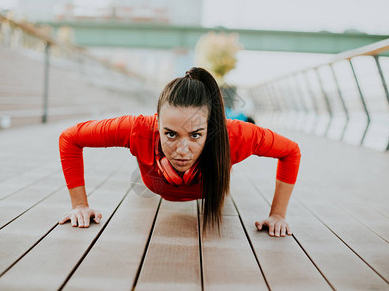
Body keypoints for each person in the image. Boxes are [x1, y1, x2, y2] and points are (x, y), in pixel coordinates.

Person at [58, 67, 301, 237]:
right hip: (154, 179)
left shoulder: (234, 136)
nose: (182, 150)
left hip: (210, 182)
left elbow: (291, 151)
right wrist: (79, 204)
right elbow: (70, 137)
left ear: (210, 129)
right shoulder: (138, 129)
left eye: (195, 135)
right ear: (157, 125)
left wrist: (277, 215)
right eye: (171, 134)